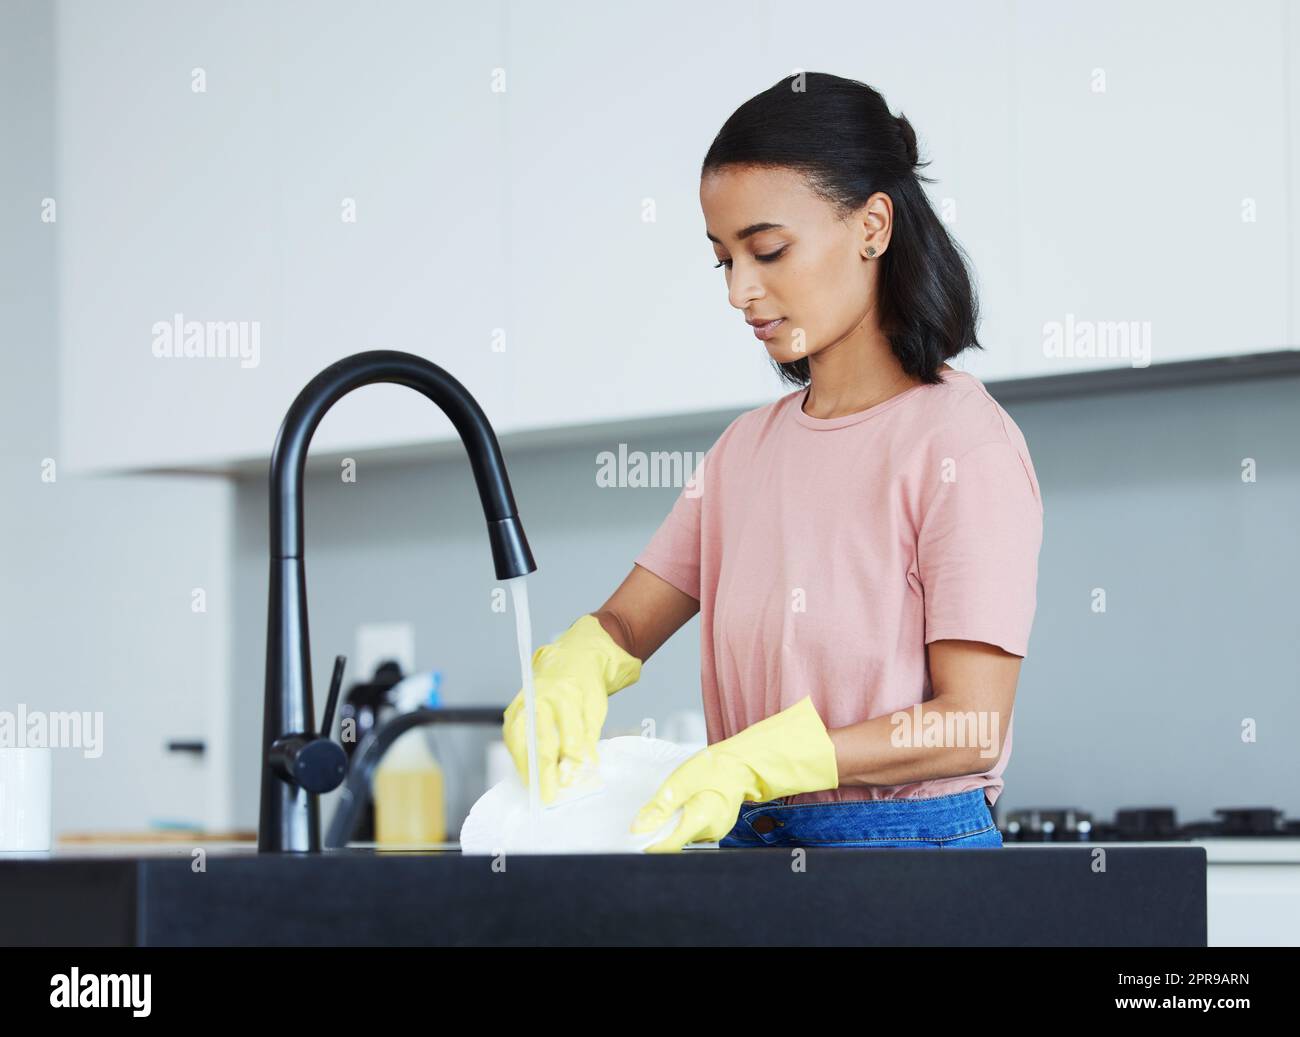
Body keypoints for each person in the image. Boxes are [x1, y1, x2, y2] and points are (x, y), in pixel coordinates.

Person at [502, 72, 1043, 852]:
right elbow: (627, 621)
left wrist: (769, 758)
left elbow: (973, 723)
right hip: (756, 848)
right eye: (723, 260)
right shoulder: (742, 452)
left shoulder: (962, 442)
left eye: (768, 249)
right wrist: (576, 666)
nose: (739, 291)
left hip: (908, 859)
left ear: (873, 226)